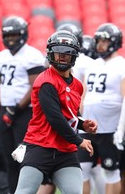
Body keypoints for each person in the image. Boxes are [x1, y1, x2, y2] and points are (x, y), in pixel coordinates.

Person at [14, 30, 97, 194]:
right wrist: (79, 140)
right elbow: (55, 118)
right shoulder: (46, 81)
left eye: (67, 53)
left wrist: (82, 124)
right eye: (58, 53)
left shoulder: (78, 85)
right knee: (24, 192)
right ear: (51, 54)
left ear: (74, 55)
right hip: (40, 146)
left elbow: (68, 116)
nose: (62, 57)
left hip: (65, 151)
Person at [0, 16, 46, 193]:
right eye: (7, 35)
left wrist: (18, 108)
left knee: (25, 160)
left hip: (25, 113)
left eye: (14, 35)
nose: (10, 39)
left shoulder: (32, 55)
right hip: (6, 111)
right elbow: (0, 86)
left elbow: (35, 87)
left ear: (23, 35)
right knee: (9, 160)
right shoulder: (2, 56)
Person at [57, 24, 105, 194]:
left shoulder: (86, 63)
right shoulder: (89, 62)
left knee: (85, 167)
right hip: (77, 112)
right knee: (92, 167)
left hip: (74, 112)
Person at [78, 23, 125, 194]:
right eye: (98, 41)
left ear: (115, 42)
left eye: (104, 41)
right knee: (80, 170)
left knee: (111, 171)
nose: (100, 45)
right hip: (88, 127)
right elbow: (83, 94)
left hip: (110, 128)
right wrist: (80, 119)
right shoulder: (92, 65)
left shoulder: (121, 65)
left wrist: (121, 129)